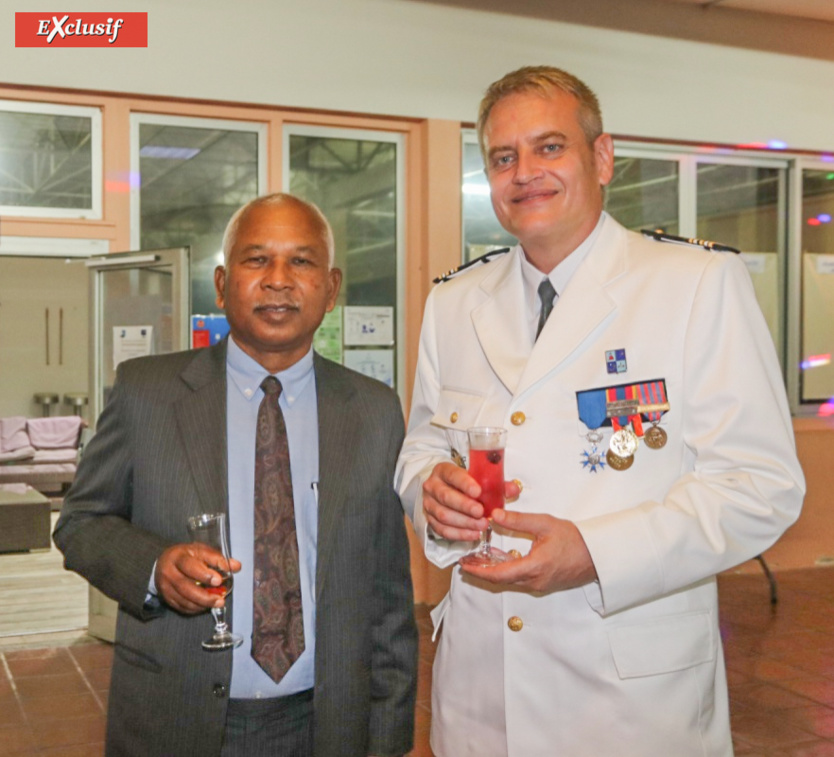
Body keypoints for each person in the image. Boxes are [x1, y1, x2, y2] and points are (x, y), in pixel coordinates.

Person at [395, 65, 805, 756]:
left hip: (629, 700)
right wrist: (429, 492)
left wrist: (596, 552)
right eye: (504, 157)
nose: (525, 172)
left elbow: (761, 485)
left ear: (602, 156)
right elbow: (422, 446)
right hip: (479, 694)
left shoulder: (695, 286)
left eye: (549, 147)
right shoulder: (453, 303)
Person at [54, 193, 417, 757]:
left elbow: (389, 596)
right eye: (256, 260)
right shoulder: (146, 394)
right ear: (222, 285)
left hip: (329, 723)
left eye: (301, 261)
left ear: (331, 285)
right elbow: (79, 523)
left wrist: (388, 738)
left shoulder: (373, 410)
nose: (278, 280)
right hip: (178, 716)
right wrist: (153, 567)